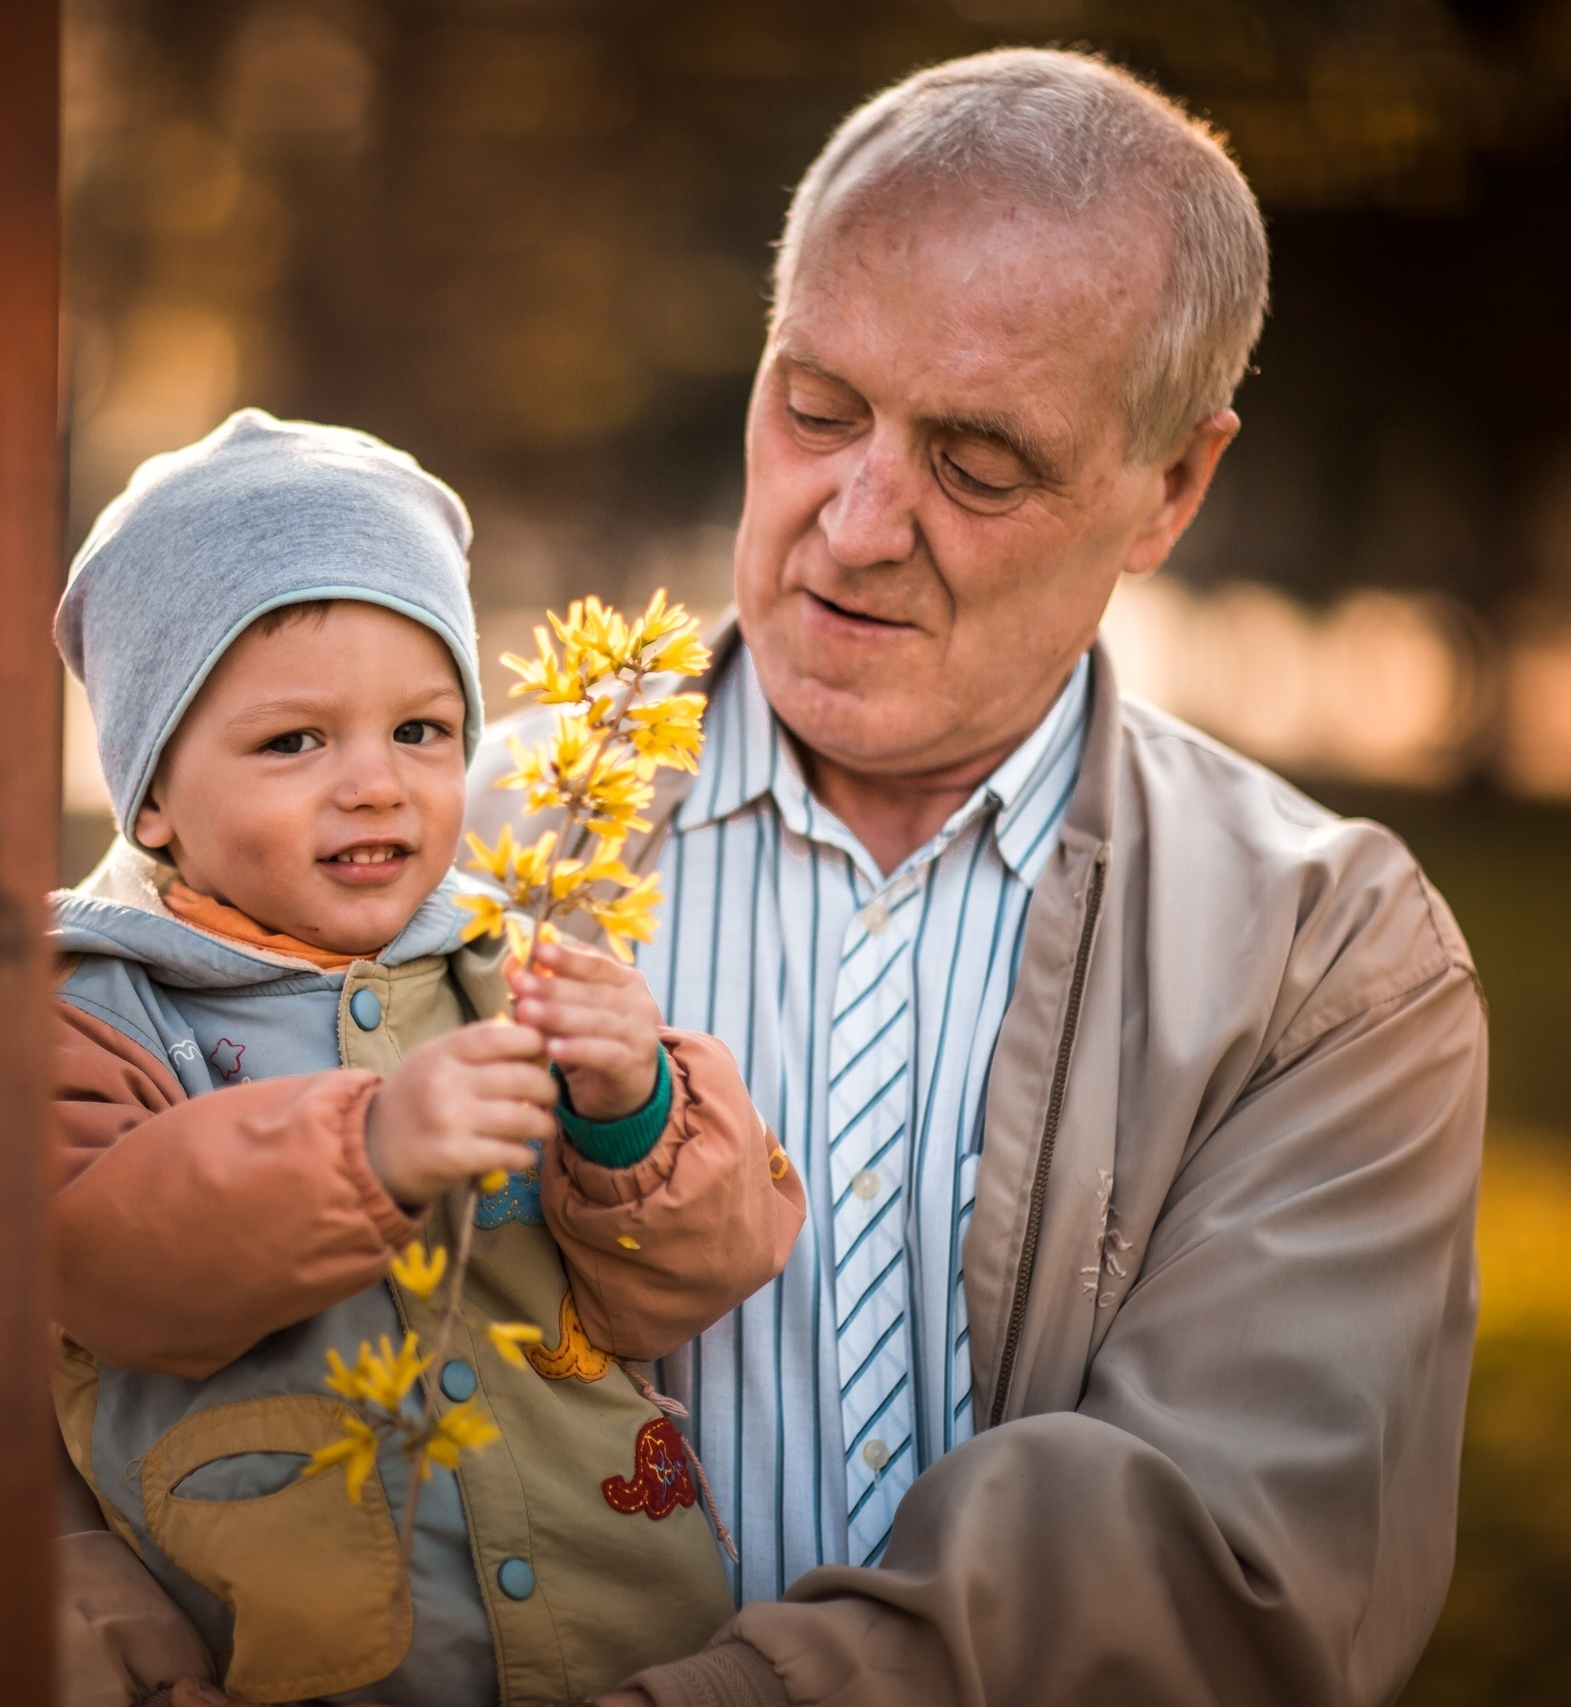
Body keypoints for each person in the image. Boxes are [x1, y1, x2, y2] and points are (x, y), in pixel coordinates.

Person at [467, 47, 1483, 1707]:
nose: (856, 521)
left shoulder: (1333, 962)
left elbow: (1216, 1576)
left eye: (978, 461)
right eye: (815, 408)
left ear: (1173, 487)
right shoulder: (446, 851)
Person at [46, 409, 808, 1707]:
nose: (376, 786)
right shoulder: (94, 1005)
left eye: (423, 731)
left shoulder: (508, 969)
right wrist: (370, 1152)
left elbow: (688, 1284)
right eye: (295, 742)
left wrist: (634, 1112)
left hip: (630, 1654)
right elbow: (110, 1268)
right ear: (153, 796)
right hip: (309, 1664)